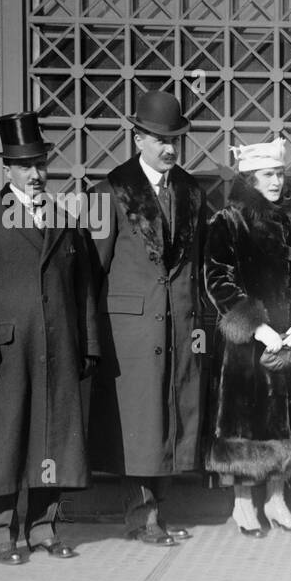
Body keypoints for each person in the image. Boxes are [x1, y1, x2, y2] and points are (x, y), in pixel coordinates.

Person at [0, 112, 99, 565]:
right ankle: (2, 534)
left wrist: (89, 344)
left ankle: (43, 529)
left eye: (40, 163)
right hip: (6, 350)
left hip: (58, 347)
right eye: (24, 165)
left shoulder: (68, 219)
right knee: (6, 441)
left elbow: (85, 290)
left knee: (51, 438)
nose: (35, 174)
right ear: (7, 169)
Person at [90, 90, 210, 547]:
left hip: (179, 324)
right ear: (137, 138)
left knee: (173, 418)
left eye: (175, 139)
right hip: (130, 333)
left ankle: (158, 510)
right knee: (139, 424)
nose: (169, 148)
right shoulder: (107, 192)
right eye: (159, 139)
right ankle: (142, 518)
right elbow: (92, 270)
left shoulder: (190, 190)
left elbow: (196, 264)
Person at [202, 138, 291, 537]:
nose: (277, 182)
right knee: (248, 423)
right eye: (268, 175)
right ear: (251, 178)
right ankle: (243, 505)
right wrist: (255, 326)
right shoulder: (229, 220)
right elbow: (216, 278)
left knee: (289, 423)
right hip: (248, 345)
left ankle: (277, 501)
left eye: (280, 173)